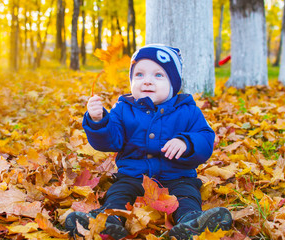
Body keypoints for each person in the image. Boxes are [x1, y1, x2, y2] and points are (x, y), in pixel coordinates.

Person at [65, 44, 232, 240]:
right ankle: (108, 222)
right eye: (140, 75)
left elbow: (205, 138)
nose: (147, 81)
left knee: (187, 196)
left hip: (176, 176)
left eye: (158, 75)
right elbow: (110, 140)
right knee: (118, 193)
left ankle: (191, 223)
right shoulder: (123, 109)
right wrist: (98, 121)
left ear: (173, 83)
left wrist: (187, 142)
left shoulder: (187, 110)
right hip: (133, 176)